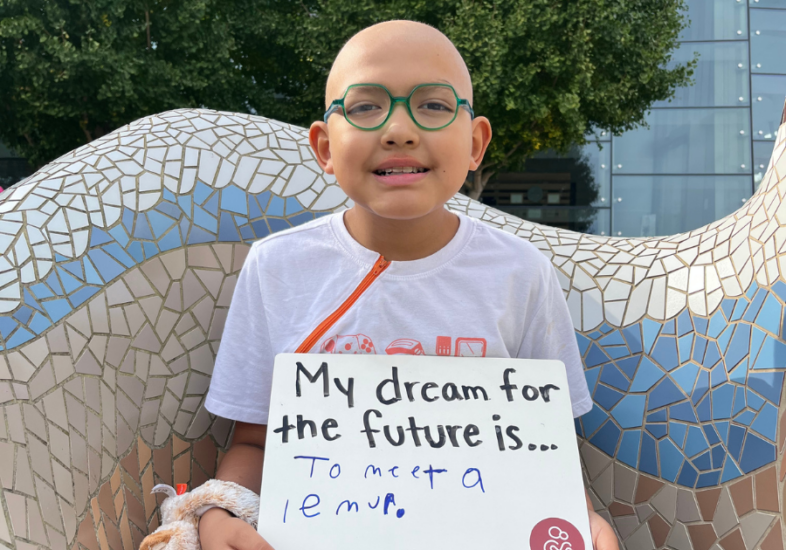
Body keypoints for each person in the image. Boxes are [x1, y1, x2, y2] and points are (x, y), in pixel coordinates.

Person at [200, 19, 618, 550]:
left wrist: (582, 521)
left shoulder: (520, 274)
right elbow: (255, 443)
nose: (399, 129)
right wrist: (218, 512)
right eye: (366, 106)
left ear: (475, 142)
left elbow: (544, 449)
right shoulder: (276, 268)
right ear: (325, 147)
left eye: (435, 106)